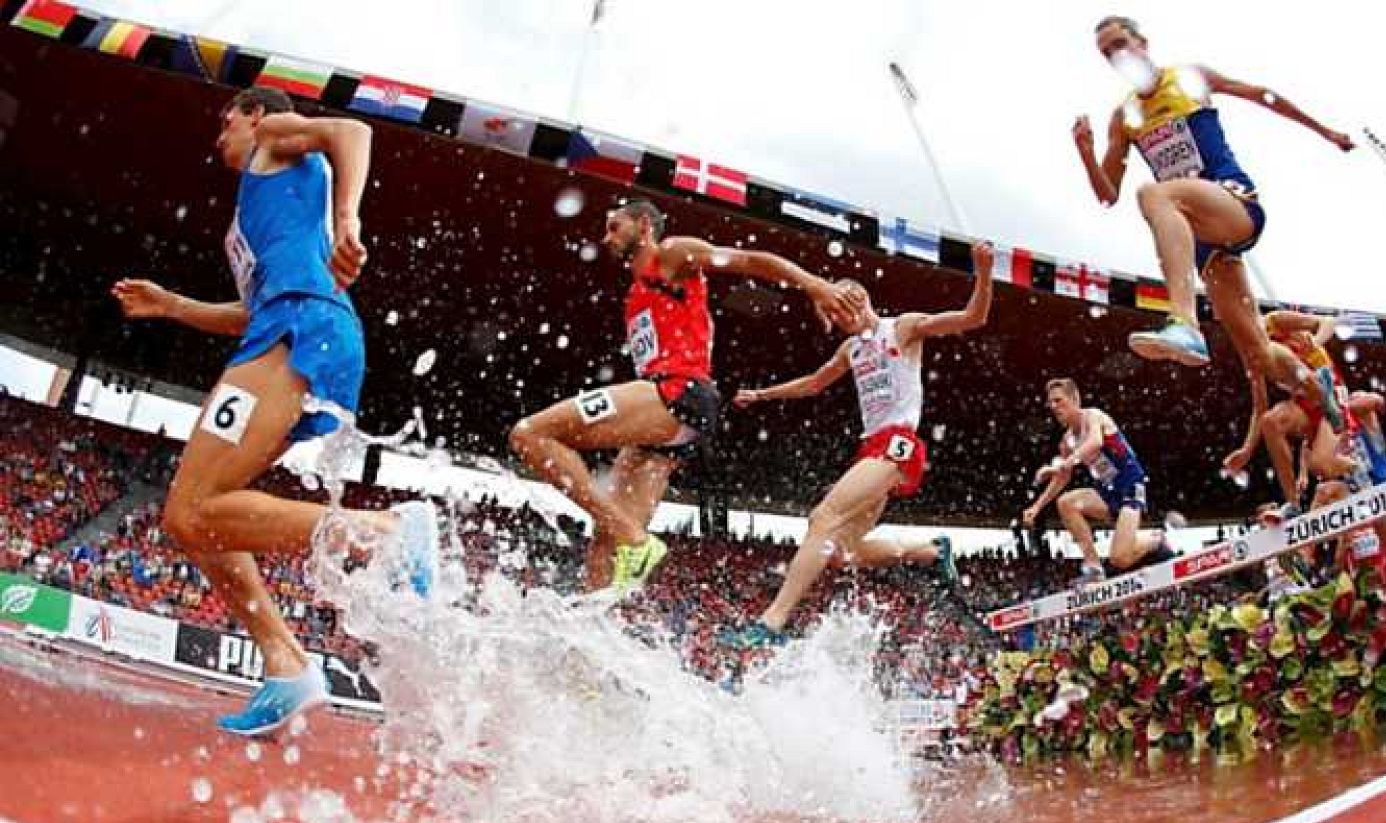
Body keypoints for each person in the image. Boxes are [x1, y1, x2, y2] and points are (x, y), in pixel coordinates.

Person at [112, 86, 437, 737]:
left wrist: (350, 218)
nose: (218, 137)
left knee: (190, 509)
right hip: (287, 324)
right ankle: (284, 660)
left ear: (255, 114)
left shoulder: (273, 139)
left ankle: (384, 534)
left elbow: (352, 132)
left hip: (301, 323)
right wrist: (171, 304)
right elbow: (246, 311)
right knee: (198, 517)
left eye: (224, 120)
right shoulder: (260, 212)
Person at [509, 200, 862, 595]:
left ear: (644, 225)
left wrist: (814, 284)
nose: (605, 238)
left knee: (530, 435)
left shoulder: (671, 255)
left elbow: (748, 260)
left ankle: (637, 541)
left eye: (614, 226)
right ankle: (595, 638)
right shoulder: (637, 293)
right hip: (672, 422)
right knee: (604, 551)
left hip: (677, 392)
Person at [718, 243, 996, 648]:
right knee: (840, 554)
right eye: (829, 313)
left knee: (823, 517)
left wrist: (983, 273)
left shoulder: (902, 328)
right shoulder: (850, 349)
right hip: (871, 448)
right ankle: (930, 551)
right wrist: (762, 395)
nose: (834, 319)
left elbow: (974, 317)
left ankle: (772, 622)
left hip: (898, 444)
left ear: (859, 299)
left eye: (837, 310)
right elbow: (813, 383)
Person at [1072, 15, 1353, 399]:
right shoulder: (1124, 118)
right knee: (1256, 353)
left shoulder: (1188, 78)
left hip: (1232, 200)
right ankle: (1314, 384)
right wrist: (1086, 154)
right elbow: (1108, 194)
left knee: (1154, 193)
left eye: (1121, 44)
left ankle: (1185, 322)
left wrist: (1326, 131)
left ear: (1143, 43)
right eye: (1107, 53)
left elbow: (1263, 96)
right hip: (1200, 237)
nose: (1116, 55)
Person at [1226, 309, 1386, 518]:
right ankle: (1292, 504)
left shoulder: (1274, 322)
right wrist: (1246, 450)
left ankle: (1358, 470)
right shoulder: (1251, 354)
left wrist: (1316, 341)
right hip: (1304, 402)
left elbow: (1329, 322)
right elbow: (1260, 408)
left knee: (1321, 465)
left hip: (1329, 390)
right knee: (1270, 422)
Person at [1021, 378, 1170, 586]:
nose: (1054, 407)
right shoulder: (1066, 441)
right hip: (1106, 494)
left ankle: (1155, 539)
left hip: (1129, 486)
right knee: (1066, 503)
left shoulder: (1093, 416)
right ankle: (1093, 568)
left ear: (1075, 399)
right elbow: (1062, 478)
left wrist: (1066, 462)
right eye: (1050, 403)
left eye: (1059, 401)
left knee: (1120, 559)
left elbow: (1095, 442)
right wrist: (1037, 506)